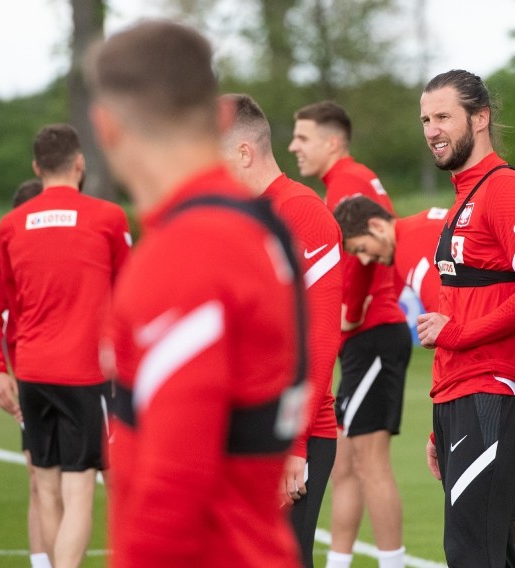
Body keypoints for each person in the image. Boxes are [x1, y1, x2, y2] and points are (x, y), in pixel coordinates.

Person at [86, 20, 306, 567]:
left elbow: (174, 486)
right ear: (221, 118)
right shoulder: (257, 228)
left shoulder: (187, 254)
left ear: (106, 127)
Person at [334, 194, 515, 568]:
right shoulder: (429, 221)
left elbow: (448, 325)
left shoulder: (408, 251)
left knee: (495, 491)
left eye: (363, 249)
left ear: (376, 226)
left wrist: (443, 420)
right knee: (509, 477)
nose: (368, 260)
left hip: (498, 363)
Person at [415, 69, 515, 568]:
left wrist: (460, 334)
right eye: (425, 119)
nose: (432, 129)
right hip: (461, 393)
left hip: (494, 387)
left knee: (470, 551)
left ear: (480, 118)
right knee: (486, 551)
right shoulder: (464, 194)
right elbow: (458, 307)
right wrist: (440, 418)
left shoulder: (505, 189)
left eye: (443, 117)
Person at [0, 124, 131, 568]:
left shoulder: (11, 224)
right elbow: (130, 291)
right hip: (85, 372)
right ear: (80, 163)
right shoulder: (108, 217)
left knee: (47, 489)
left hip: (32, 371)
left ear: (36, 167)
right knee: (80, 491)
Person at [219, 92, 343, 568]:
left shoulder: (302, 213)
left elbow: (319, 339)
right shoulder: (239, 216)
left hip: (293, 434)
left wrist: (292, 446)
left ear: (244, 152)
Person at [289, 101, 411, 568]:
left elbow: (364, 258)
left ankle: (392, 562)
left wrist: (351, 312)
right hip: (370, 335)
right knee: (344, 463)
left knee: (369, 462)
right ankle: (339, 561)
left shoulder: (346, 185)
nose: (293, 146)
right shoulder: (353, 179)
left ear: (332, 142)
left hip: (372, 334)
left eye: (302, 137)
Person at [0, 178, 50, 568]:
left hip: (94, 381)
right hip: (35, 379)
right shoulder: (4, 244)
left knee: (111, 478)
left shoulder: (87, 234)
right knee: (40, 479)